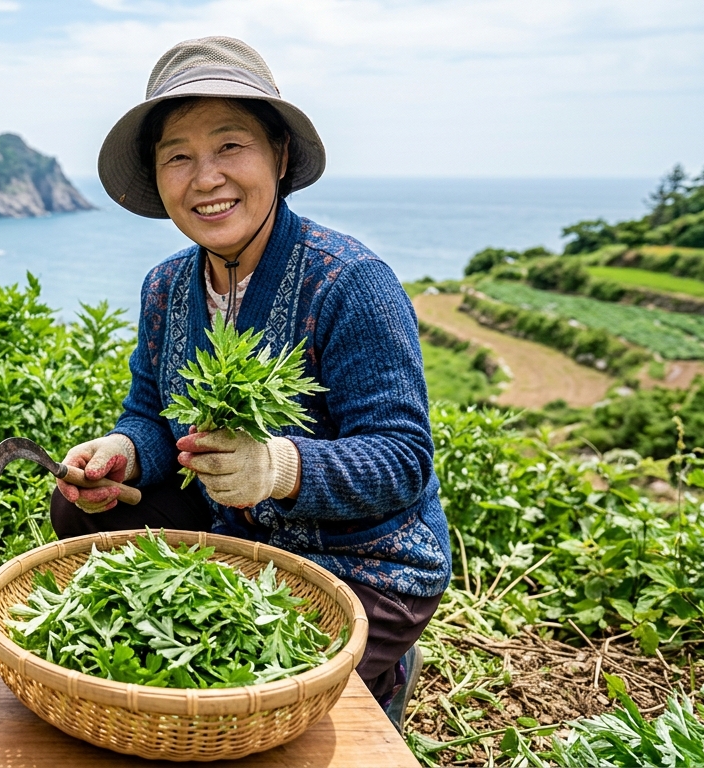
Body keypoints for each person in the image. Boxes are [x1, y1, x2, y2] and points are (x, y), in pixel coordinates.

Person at [50, 36, 451, 729]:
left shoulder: (351, 283)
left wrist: (278, 467)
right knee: (84, 513)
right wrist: (123, 448)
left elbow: (402, 458)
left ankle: (381, 667)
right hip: (232, 532)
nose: (205, 178)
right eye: (178, 155)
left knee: (247, 694)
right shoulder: (167, 287)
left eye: (230, 146)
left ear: (280, 157)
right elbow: (150, 411)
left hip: (362, 563)